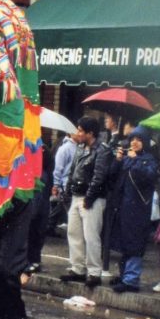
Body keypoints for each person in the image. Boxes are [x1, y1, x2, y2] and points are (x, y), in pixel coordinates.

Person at [104, 126, 158, 293]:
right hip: (122, 208)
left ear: (145, 142)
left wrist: (134, 161)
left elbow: (148, 178)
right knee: (124, 242)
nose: (134, 142)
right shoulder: (128, 158)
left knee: (134, 243)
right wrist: (118, 161)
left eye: (139, 139)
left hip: (138, 210)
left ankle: (131, 280)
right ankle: (124, 275)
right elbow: (112, 177)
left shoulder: (149, 160)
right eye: (132, 139)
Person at [60, 116, 111, 289]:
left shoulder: (102, 150)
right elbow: (73, 170)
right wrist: (67, 191)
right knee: (74, 233)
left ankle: (94, 272)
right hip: (76, 195)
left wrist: (89, 198)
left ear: (90, 133)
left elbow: (99, 176)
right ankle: (78, 268)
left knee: (91, 236)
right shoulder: (80, 148)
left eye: (81, 130)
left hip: (92, 198)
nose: (78, 133)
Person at [26, 137, 54, 274]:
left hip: (36, 206)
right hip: (41, 205)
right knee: (37, 234)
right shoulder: (47, 173)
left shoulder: (39, 174)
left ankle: (31, 260)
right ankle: (34, 260)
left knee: (32, 233)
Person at [48, 131, 76, 235]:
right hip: (65, 185)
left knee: (61, 206)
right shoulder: (65, 148)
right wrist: (56, 185)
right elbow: (58, 169)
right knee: (69, 210)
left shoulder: (77, 147)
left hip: (69, 185)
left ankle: (49, 225)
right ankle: (49, 225)